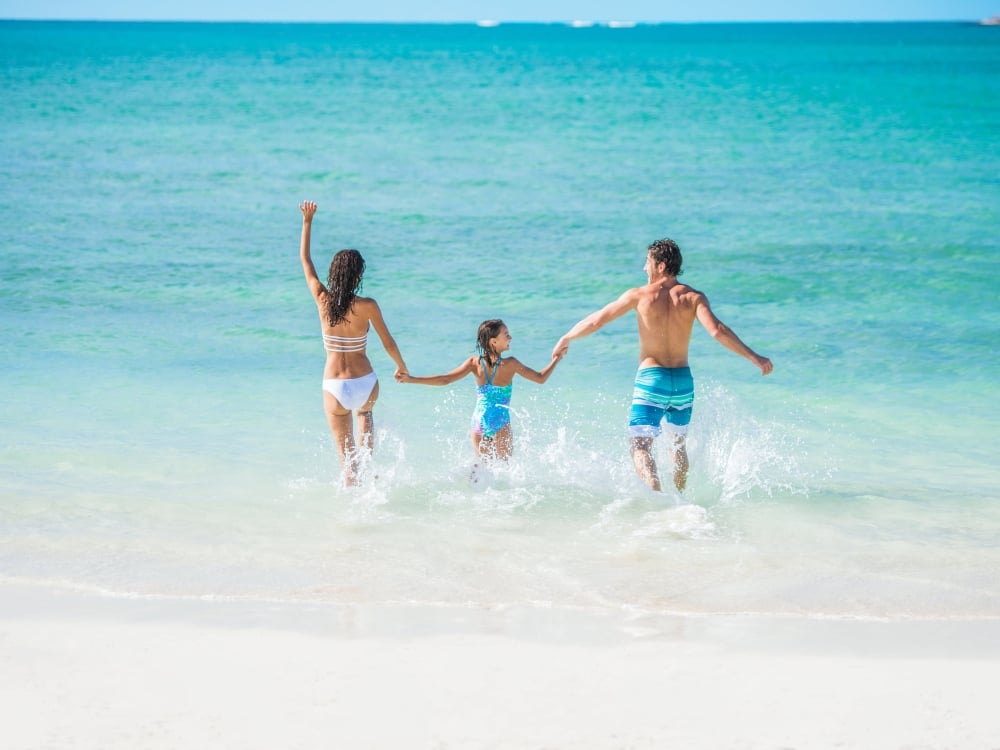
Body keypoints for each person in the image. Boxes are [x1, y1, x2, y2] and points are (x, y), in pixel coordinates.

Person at [553, 238, 772, 493]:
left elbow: (596, 322)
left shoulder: (639, 295)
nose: (644, 268)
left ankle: (657, 498)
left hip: (651, 379)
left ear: (661, 265)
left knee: (640, 446)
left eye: (647, 262)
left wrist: (567, 337)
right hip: (682, 383)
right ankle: (679, 499)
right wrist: (754, 357)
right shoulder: (693, 297)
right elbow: (717, 331)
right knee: (677, 445)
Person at [299, 200, 409, 486]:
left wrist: (307, 222)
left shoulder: (322, 300)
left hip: (333, 386)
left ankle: (352, 514)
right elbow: (388, 342)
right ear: (358, 275)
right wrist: (401, 367)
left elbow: (307, 264)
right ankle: (369, 471)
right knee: (365, 415)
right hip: (365, 383)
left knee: (346, 466)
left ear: (333, 273)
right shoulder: (368, 305)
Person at [398, 319, 562, 464]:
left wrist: (412, 379)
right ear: (493, 342)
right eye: (506, 335)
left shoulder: (474, 363)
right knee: (503, 470)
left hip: (478, 422)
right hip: (500, 422)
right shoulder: (510, 364)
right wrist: (556, 359)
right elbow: (540, 378)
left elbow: (445, 379)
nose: (510, 337)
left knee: (482, 471)